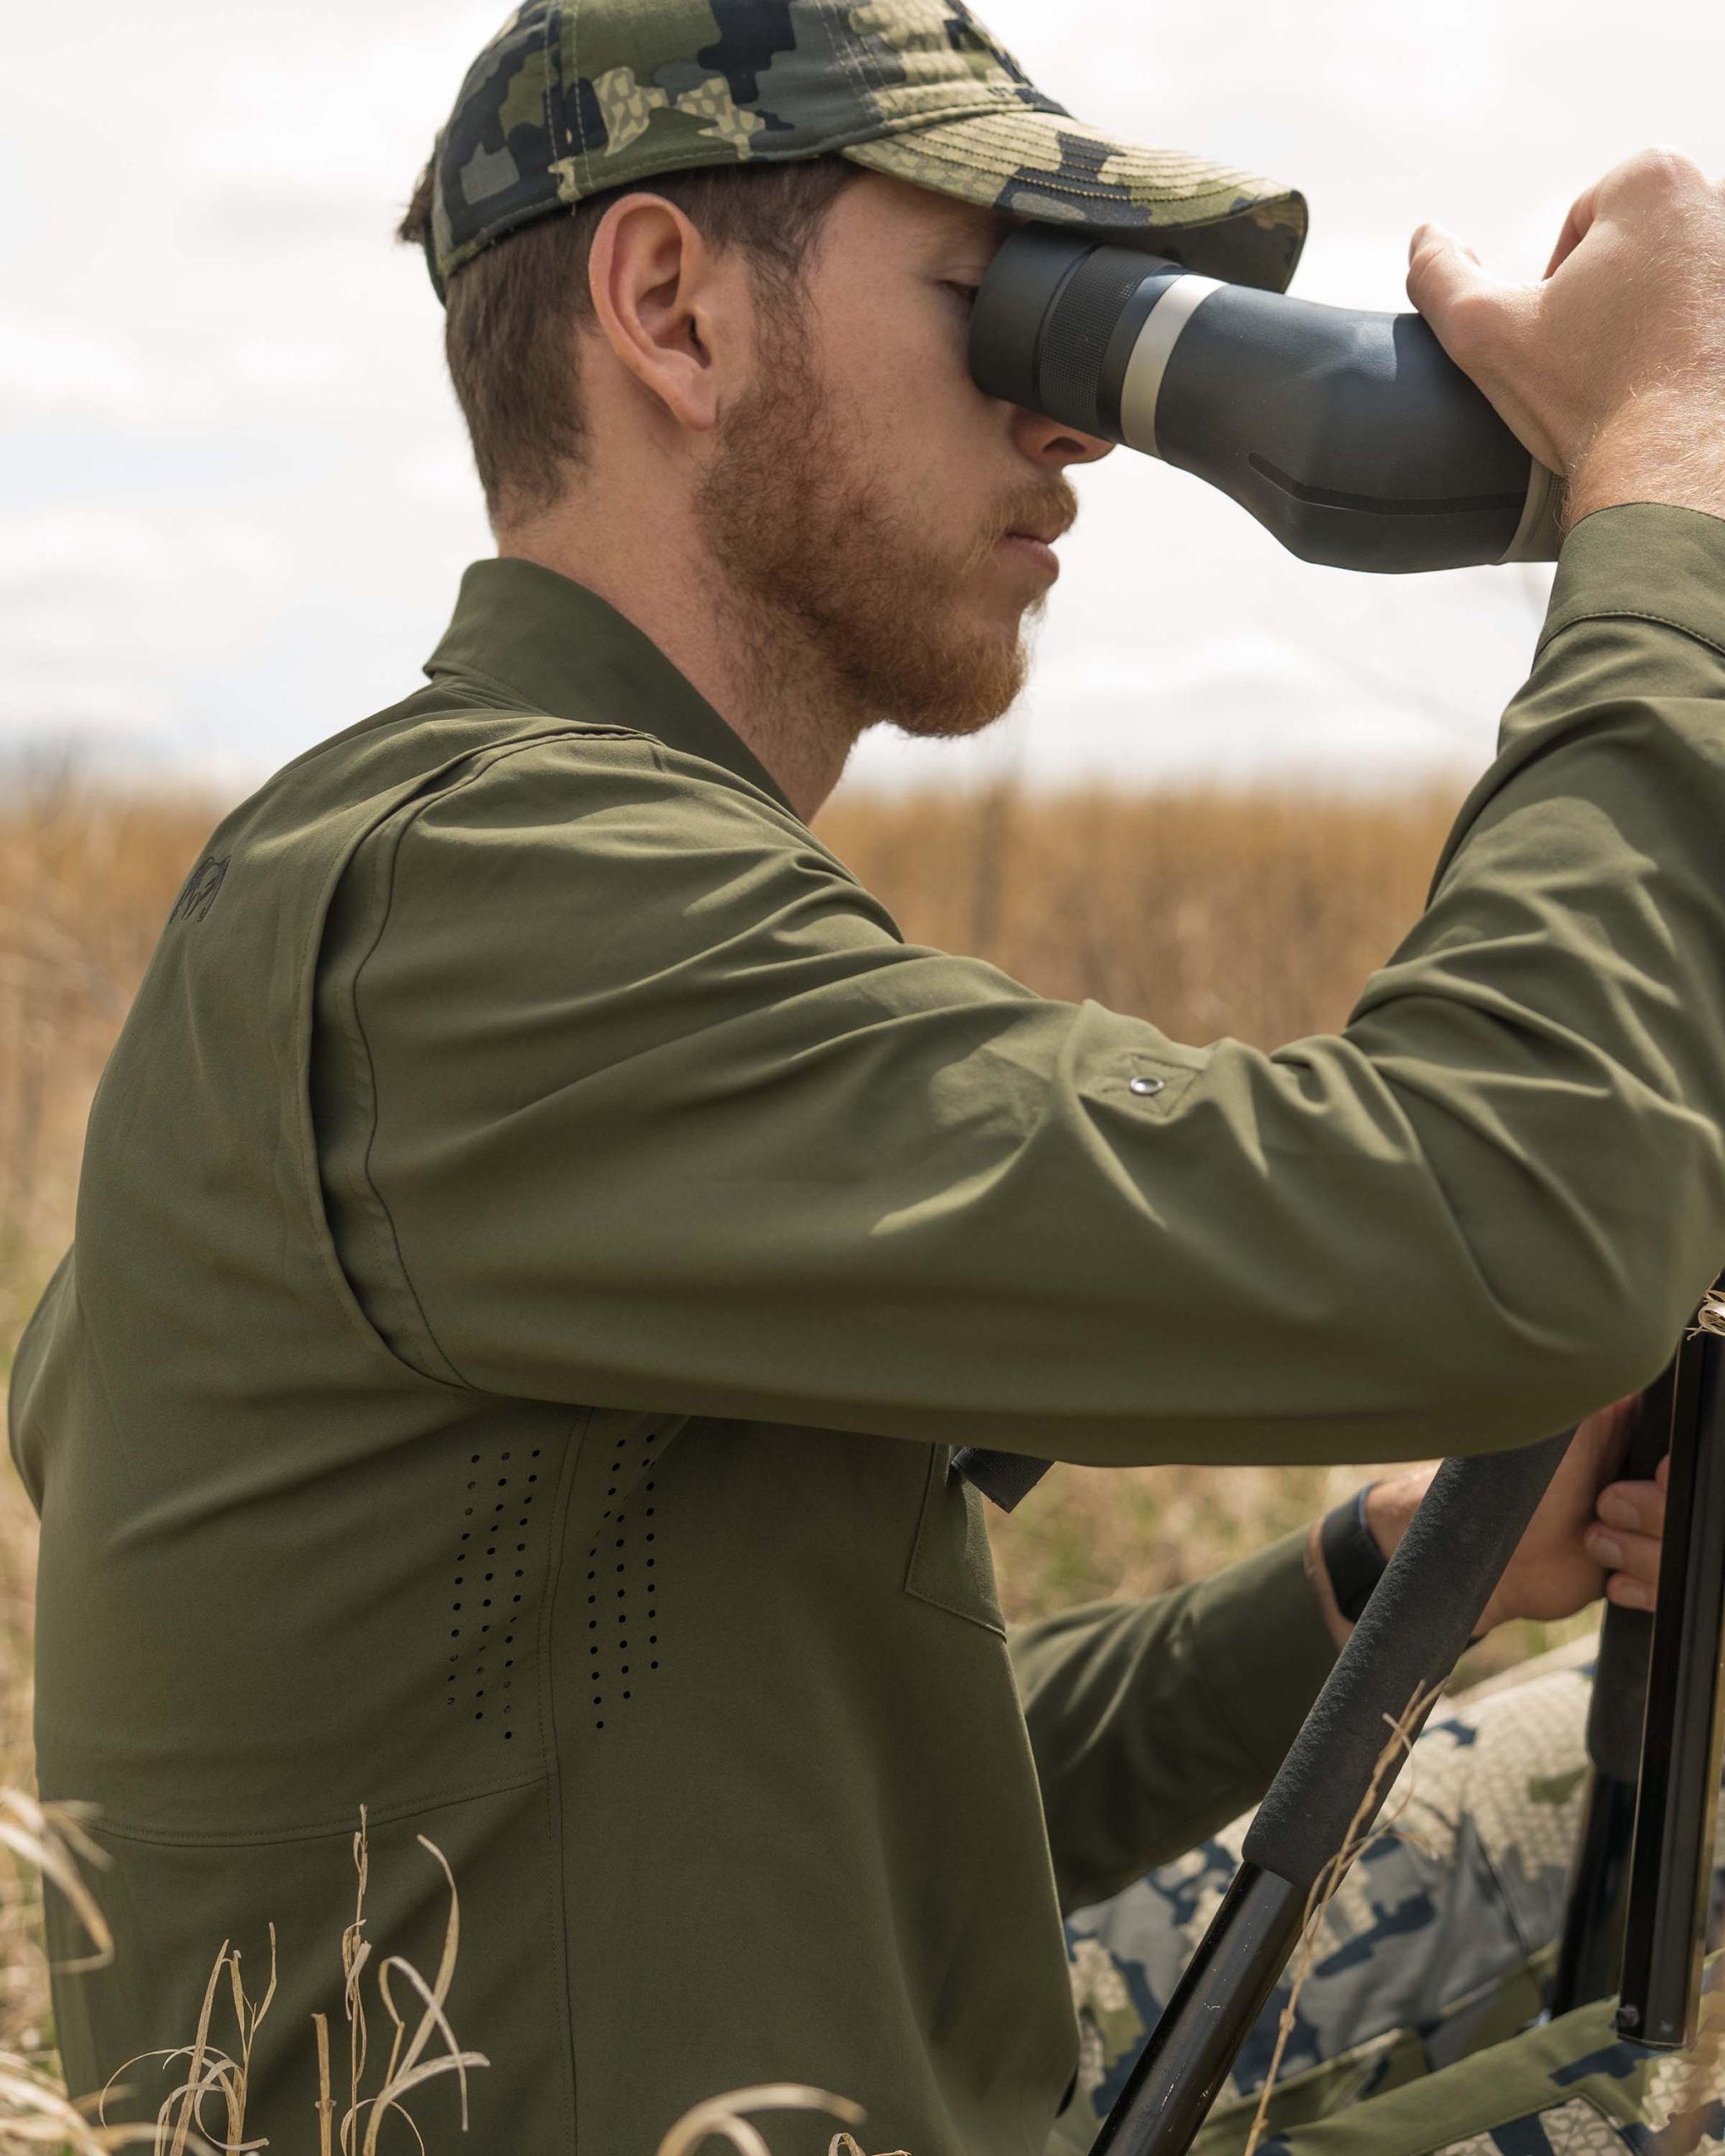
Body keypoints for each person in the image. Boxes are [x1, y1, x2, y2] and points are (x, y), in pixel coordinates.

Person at [11, 2, 1725, 2151]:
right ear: (670, 308)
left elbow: (842, 1797)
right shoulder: (495, 901)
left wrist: (1366, 1569)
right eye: (994, 304)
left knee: (1622, 1768)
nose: (1072, 421)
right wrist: (1669, 493)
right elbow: (1512, 1228)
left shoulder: (521, 889)